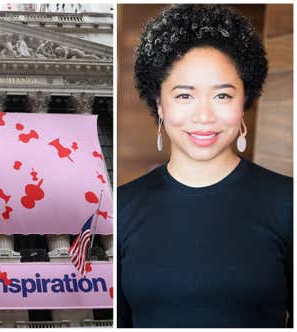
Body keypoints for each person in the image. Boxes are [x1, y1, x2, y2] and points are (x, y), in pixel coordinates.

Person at [118, 4, 292, 328]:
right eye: (184, 96)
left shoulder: (288, 203)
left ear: (245, 100)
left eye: (222, 96)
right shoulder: (119, 208)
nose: (204, 116)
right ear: (159, 103)